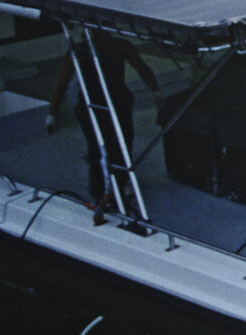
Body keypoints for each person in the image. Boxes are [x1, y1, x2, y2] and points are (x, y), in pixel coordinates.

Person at [46, 33, 160, 206]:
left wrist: (156, 91)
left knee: (123, 141)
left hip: (118, 101)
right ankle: (99, 191)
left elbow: (141, 67)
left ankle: (122, 181)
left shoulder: (121, 46)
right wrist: (52, 114)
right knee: (97, 146)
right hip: (91, 105)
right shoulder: (78, 53)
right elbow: (61, 84)